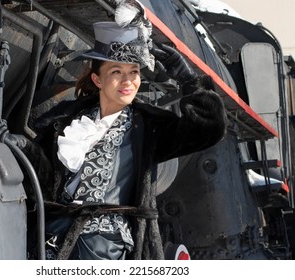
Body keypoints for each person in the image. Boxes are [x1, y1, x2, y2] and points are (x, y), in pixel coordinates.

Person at [24, 20, 227, 260]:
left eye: (134, 72)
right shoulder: (64, 120)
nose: (128, 81)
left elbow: (209, 128)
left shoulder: (149, 125)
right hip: (51, 244)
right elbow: (41, 176)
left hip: (107, 250)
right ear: (98, 80)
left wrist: (188, 79)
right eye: (117, 72)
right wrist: (19, 144)